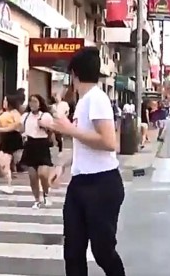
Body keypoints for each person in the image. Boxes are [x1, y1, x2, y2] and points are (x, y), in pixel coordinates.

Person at [44, 47, 125, 276]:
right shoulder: (83, 102)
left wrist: (70, 129)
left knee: (102, 250)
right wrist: (61, 165)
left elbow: (109, 142)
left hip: (102, 184)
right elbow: (83, 144)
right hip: (80, 183)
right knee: (73, 250)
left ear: (74, 74)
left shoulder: (97, 99)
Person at [0, 94, 25, 194]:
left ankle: (9, 184)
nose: (4, 103)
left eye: (5, 101)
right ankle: (8, 183)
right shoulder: (5, 112)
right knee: (3, 162)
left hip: (12, 138)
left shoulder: (15, 113)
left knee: (5, 161)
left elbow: (17, 126)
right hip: (6, 137)